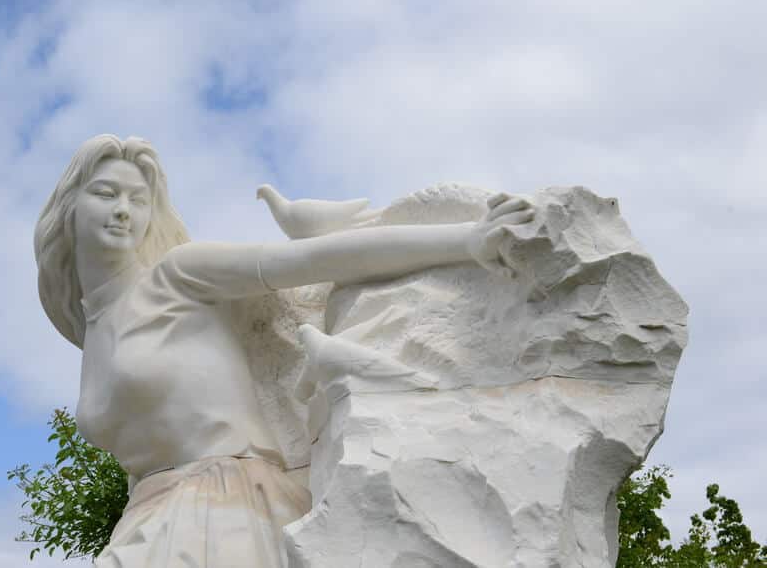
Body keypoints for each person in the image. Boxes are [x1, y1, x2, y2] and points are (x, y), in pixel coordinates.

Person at [34, 134, 534, 568]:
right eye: (105, 193)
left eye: (138, 199)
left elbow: (318, 258)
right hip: (145, 521)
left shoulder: (178, 276)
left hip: (225, 511)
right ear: (69, 206)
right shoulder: (91, 333)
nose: (124, 210)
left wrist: (469, 239)